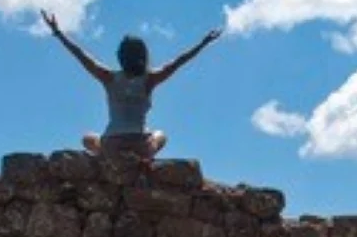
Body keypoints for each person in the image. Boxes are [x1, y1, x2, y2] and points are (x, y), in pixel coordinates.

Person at [40, 11, 222, 160]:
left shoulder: (109, 77)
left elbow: (81, 56)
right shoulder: (150, 79)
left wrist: (58, 33)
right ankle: (141, 162)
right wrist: (204, 42)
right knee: (161, 135)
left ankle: (107, 159)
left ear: (120, 57)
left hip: (112, 144)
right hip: (140, 145)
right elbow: (179, 61)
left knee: (87, 138)